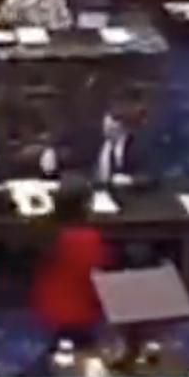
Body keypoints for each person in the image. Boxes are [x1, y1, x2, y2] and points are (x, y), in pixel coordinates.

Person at [31, 199, 113, 355]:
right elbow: (97, 273)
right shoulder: (88, 238)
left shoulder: (51, 234)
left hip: (50, 306)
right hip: (80, 310)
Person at [93, 104, 152, 188]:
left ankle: (113, 173)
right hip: (115, 123)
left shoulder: (129, 121)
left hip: (115, 124)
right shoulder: (127, 117)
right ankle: (113, 173)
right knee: (112, 148)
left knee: (113, 148)